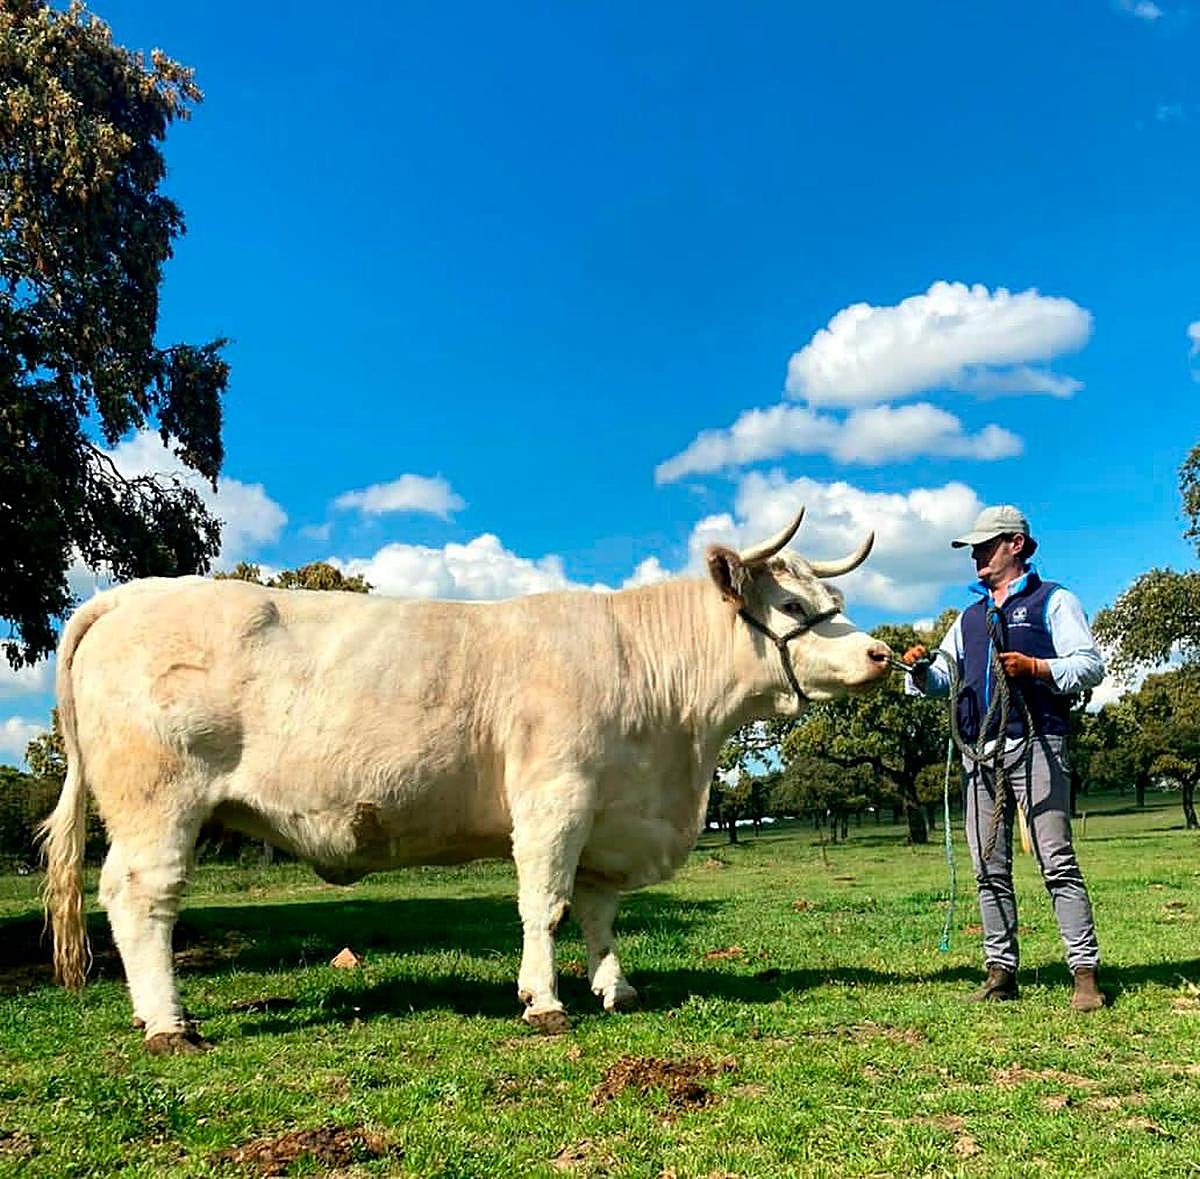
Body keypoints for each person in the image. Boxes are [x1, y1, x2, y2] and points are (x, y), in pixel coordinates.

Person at [904, 505, 1107, 1011]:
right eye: (973, 547)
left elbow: (1089, 666)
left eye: (985, 545)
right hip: (981, 755)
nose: (976, 555)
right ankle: (1000, 973)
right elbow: (945, 680)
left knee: (1056, 861)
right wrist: (920, 671)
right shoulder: (968, 619)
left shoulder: (1053, 600)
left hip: (1038, 744)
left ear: (1016, 545)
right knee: (987, 868)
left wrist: (1037, 668)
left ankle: (1085, 975)